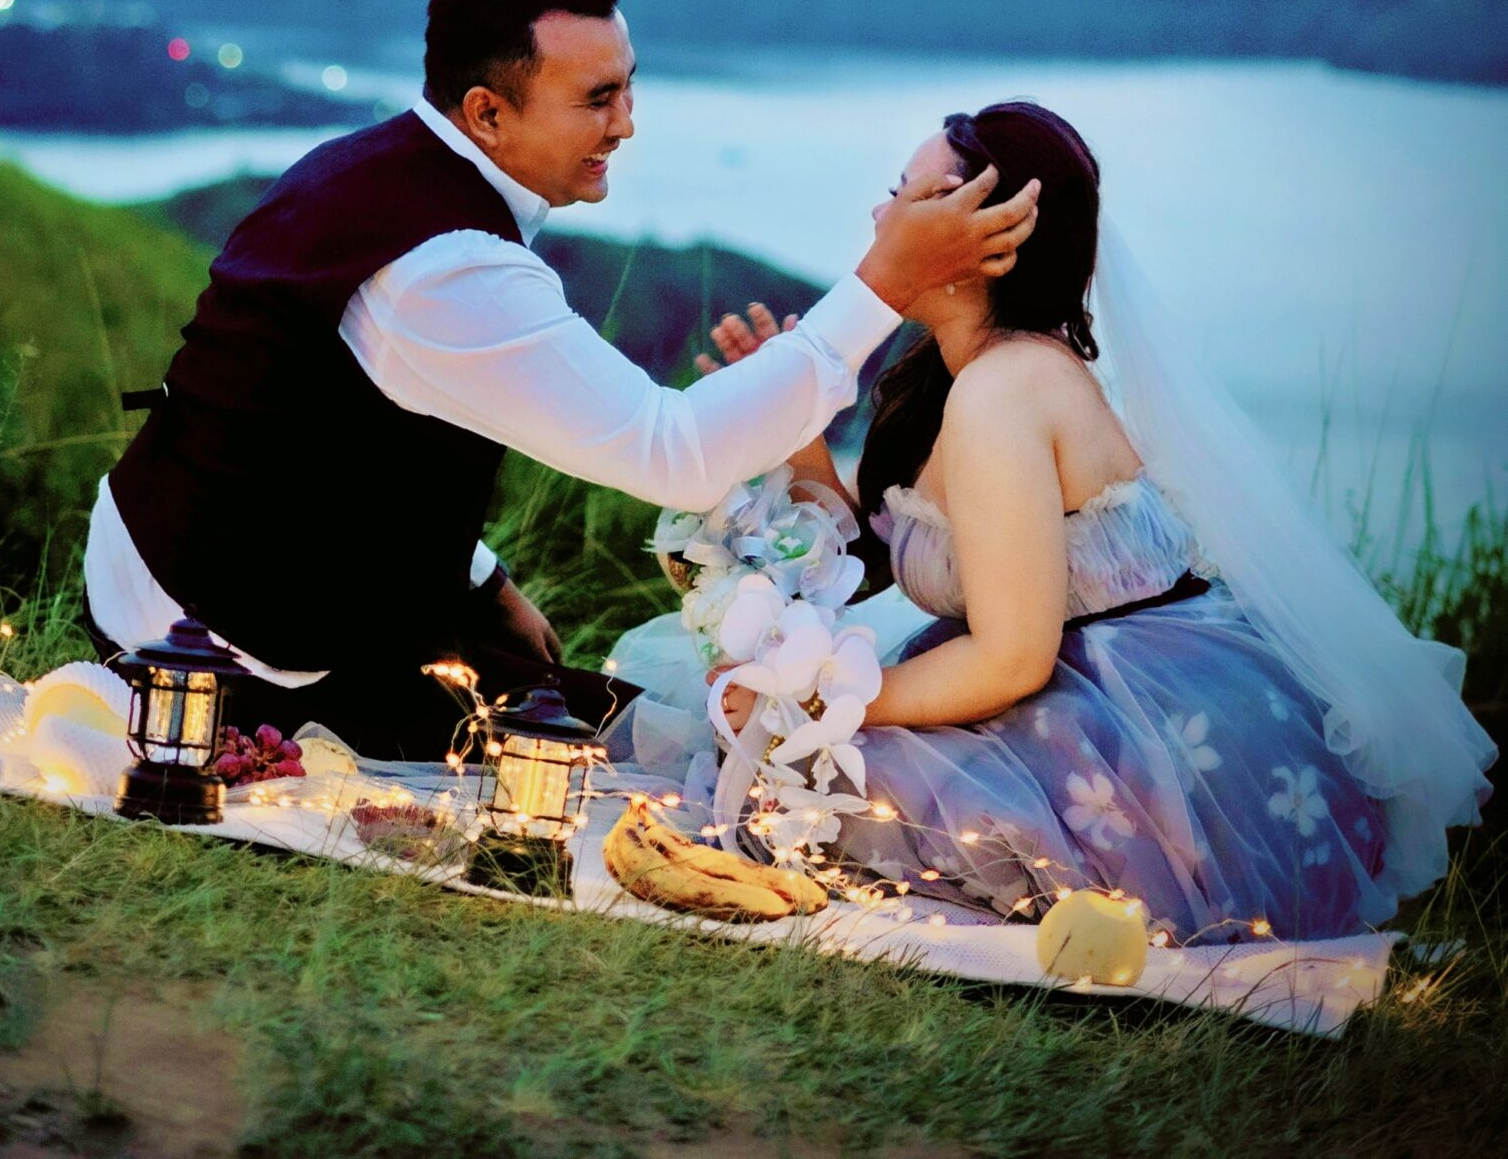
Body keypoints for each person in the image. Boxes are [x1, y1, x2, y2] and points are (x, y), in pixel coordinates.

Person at [83, 0, 1038, 759]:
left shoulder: (383, 172)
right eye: (597, 98)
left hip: (212, 559)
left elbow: (328, 433)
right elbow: (671, 452)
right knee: (625, 760)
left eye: (629, 87)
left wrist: (479, 579)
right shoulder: (446, 266)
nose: (627, 123)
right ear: (487, 112)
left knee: (614, 724)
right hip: (217, 639)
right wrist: (885, 284)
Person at [617, 100, 1496, 941]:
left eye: (912, 200)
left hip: (1138, 731)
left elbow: (1012, 659)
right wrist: (800, 436)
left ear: (986, 244)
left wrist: (815, 703)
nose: (881, 217)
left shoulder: (1006, 391)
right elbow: (889, 559)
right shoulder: (952, 376)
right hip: (1056, 689)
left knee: (788, 784)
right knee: (760, 757)